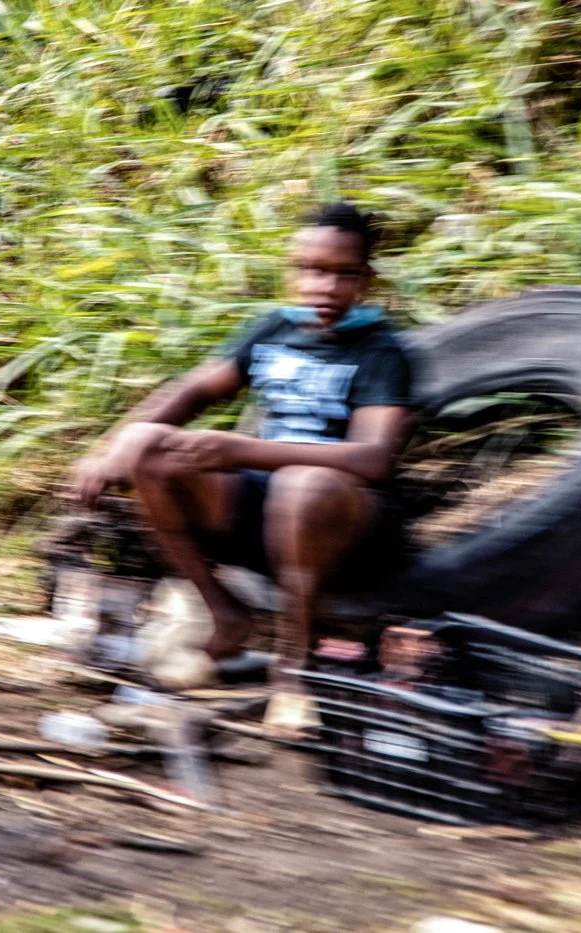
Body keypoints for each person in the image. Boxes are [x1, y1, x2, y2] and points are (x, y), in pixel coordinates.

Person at [68, 202, 415, 720]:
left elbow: (373, 459)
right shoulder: (273, 328)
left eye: (344, 275)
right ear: (292, 272)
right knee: (151, 449)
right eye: (313, 271)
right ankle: (225, 615)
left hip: (346, 521)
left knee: (304, 484)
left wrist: (240, 449)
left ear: (366, 280)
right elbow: (190, 393)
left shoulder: (381, 351)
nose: (326, 288)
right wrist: (111, 448)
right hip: (264, 508)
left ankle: (293, 673)